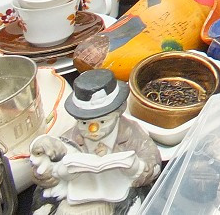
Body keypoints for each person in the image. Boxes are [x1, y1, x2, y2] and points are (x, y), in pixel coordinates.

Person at [30, 69, 162, 215]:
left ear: (119, 111)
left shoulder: (132, 134)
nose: (93, 130)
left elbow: (152, 161)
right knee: (42, 201)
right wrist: (46, 169)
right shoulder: (72, 137)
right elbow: (50, 165)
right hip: (79, 191)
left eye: (103, 121)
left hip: (121, 190)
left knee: (136, 204)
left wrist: (136, 167)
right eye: (85, 123)